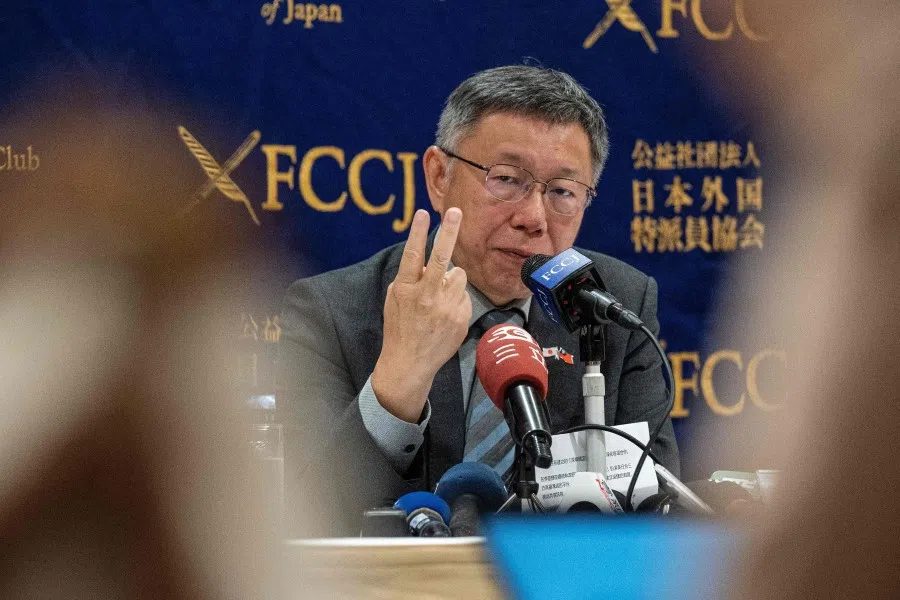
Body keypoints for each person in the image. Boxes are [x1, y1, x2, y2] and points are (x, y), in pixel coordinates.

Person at [276, 65, 679, 536]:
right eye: (507, 179)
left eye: (563, 192)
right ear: (439, 175)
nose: (533, 217)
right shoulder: (331, 312)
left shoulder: (613, 304)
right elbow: (306, 519)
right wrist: (399, 382)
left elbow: (657, 509)